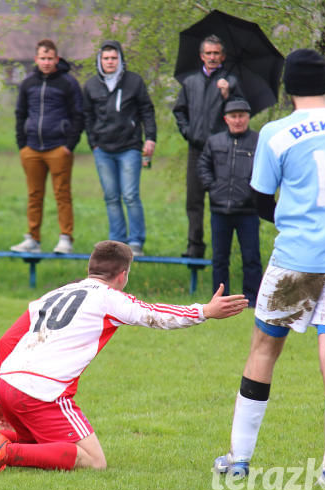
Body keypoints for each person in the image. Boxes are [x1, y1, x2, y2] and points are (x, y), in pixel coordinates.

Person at [211, 49, 325, 488]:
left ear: (287, 86)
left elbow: (260, 200)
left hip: (298, 261)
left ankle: (239, 459)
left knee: (264, 349)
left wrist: (296, 219)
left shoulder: (276, 133)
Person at [0, 241, 248, 472]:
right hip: (43, 391)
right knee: (93, 461)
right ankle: (4, 452)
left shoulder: (52, 295)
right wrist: (204, 311)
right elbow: (154, 314)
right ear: (123, 275)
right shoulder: (109, 298)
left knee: (37, 440)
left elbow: (6, 341)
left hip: (10, 382)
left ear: (90, 268)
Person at [82, 40, 157, 257]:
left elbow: (147, 111)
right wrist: (93, 143)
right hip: (103, 149)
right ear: (100, 60)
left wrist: (150, 138)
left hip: (130, 147)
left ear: (120, 59)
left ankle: (135, 242)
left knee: (130, 195)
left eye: (114, 58)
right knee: (111, 196)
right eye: (106, 58)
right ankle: (117, 243)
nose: (110, 62)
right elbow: (87, 115)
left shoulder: (134, 82)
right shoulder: (91, 85)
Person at [11, 39, 84, 255]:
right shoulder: (28, 84)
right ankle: (33, 238)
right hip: (31, 148)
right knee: (34, 194)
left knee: (62, 194)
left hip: (58, 148)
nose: (46, 62)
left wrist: (69, 145)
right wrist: (22, 145)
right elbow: (20, 114)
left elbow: (78, 115)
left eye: (50, 58)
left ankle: (65, 239)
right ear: (36, 59)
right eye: (42, 58)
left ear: (56, 59)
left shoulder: (68, 83)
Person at [173, 34, 243, 258]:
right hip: (196, 148)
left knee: (219, 199)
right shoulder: (190, 82)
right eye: (208, 53)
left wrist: (227, 94)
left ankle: (220, 249)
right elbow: (179, 111)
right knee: (193, 200)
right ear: (202, 56)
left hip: (220, 151)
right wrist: (188, 132)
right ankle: (195, 247)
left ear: (222, 56)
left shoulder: (230, 81)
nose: (212, 57)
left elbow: (240, 112)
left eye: (216, 53)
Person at [197, 98, 262, 304]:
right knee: (219, 259)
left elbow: (265, 171)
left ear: (248, 117)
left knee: (251, 258)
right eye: (233, 116)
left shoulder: (258, 141)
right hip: (220, 210)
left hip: (248, 211)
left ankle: (252, 299)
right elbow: (203, 166)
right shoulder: (214, 141)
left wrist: (254, 193)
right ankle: (220, 300)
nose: (238, 120)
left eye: (242, 116)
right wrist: (213, 188)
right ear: (226, 119)